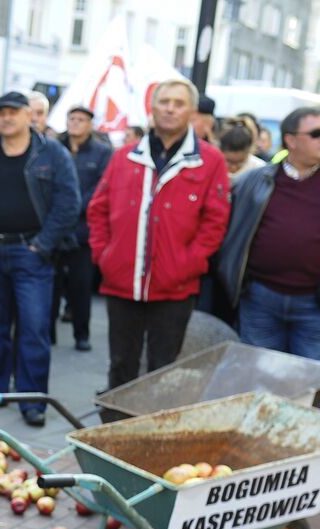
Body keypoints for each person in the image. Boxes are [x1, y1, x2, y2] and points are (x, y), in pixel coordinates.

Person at [216, 107, 320, 414]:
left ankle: (308, 456)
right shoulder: (254, 182)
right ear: (290, 140)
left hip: (317, 305)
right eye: (316, 133)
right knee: (259, 383)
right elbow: (231, 236)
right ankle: (258, 452)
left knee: (314, 388)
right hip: (260, 300)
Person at [88, 78, 230, 393]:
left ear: (192, 112)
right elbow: (98, 210)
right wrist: (105, 255)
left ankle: (154, 437)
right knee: (121, 366)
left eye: (179, 103)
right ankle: (114, 434)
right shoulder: (125, 156)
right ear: (152, 108)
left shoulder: (209, 161)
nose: (170, 109)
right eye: (164, 102)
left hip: (175, 287)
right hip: (122, 282)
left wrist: (188, 263)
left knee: (163, 370)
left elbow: (215, 223)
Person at [0, 91, 80, 426]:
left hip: (31, 254)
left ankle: (32, 399)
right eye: (2, 112)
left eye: (14, 112)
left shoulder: (51, 153)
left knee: (34, 328)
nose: (7, 117)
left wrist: (42, 245)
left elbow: (68, 203)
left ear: (29, 115)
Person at [53, 104, 111, 352]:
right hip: (55, 230)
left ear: (90, 124)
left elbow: (101, 188)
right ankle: (47, 333)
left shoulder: (102, 152)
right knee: (51, 285)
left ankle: (81, 334)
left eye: (81, 119)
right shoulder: (54, 147)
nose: (75, 123)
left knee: (80, 285)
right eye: (72, 118)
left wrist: (73, 206)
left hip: (83, 231)